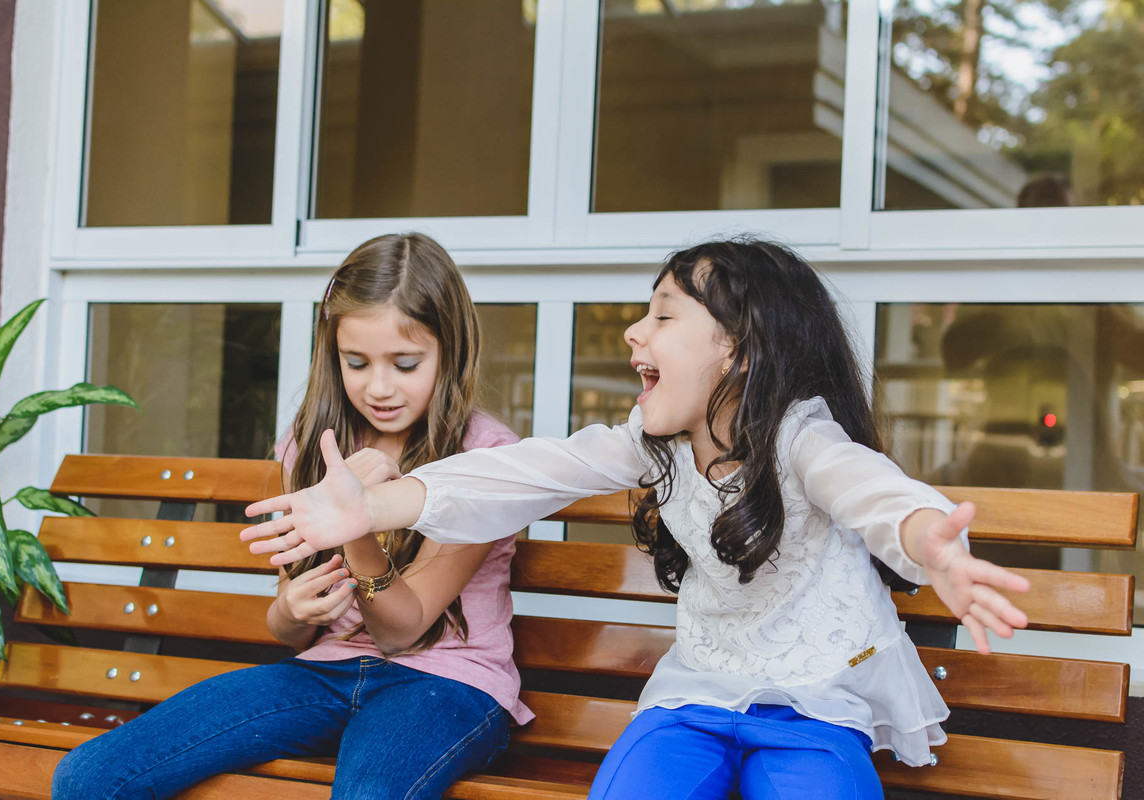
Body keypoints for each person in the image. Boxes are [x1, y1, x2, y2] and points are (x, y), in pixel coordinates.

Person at [241, 236, 1030, 800]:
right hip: (695, 701)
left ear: (740, 349)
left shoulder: (802, 439)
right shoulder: (650, 444)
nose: (633, 332)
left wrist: (935, 547)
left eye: (662, 316)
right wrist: (371, 504)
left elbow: (874, 491)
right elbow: (519, 474)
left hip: (815, 705)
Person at [52, 233, 530, 800]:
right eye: (356, 362)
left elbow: (402, 630)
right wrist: (291, 608)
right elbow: (288, 627)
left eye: (405, 364)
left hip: (447, 683)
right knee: (88, 778)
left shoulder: (486, 458)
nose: (379, 387)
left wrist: (357, 516)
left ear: (451, 351)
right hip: (325, 671)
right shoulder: (309, 444)